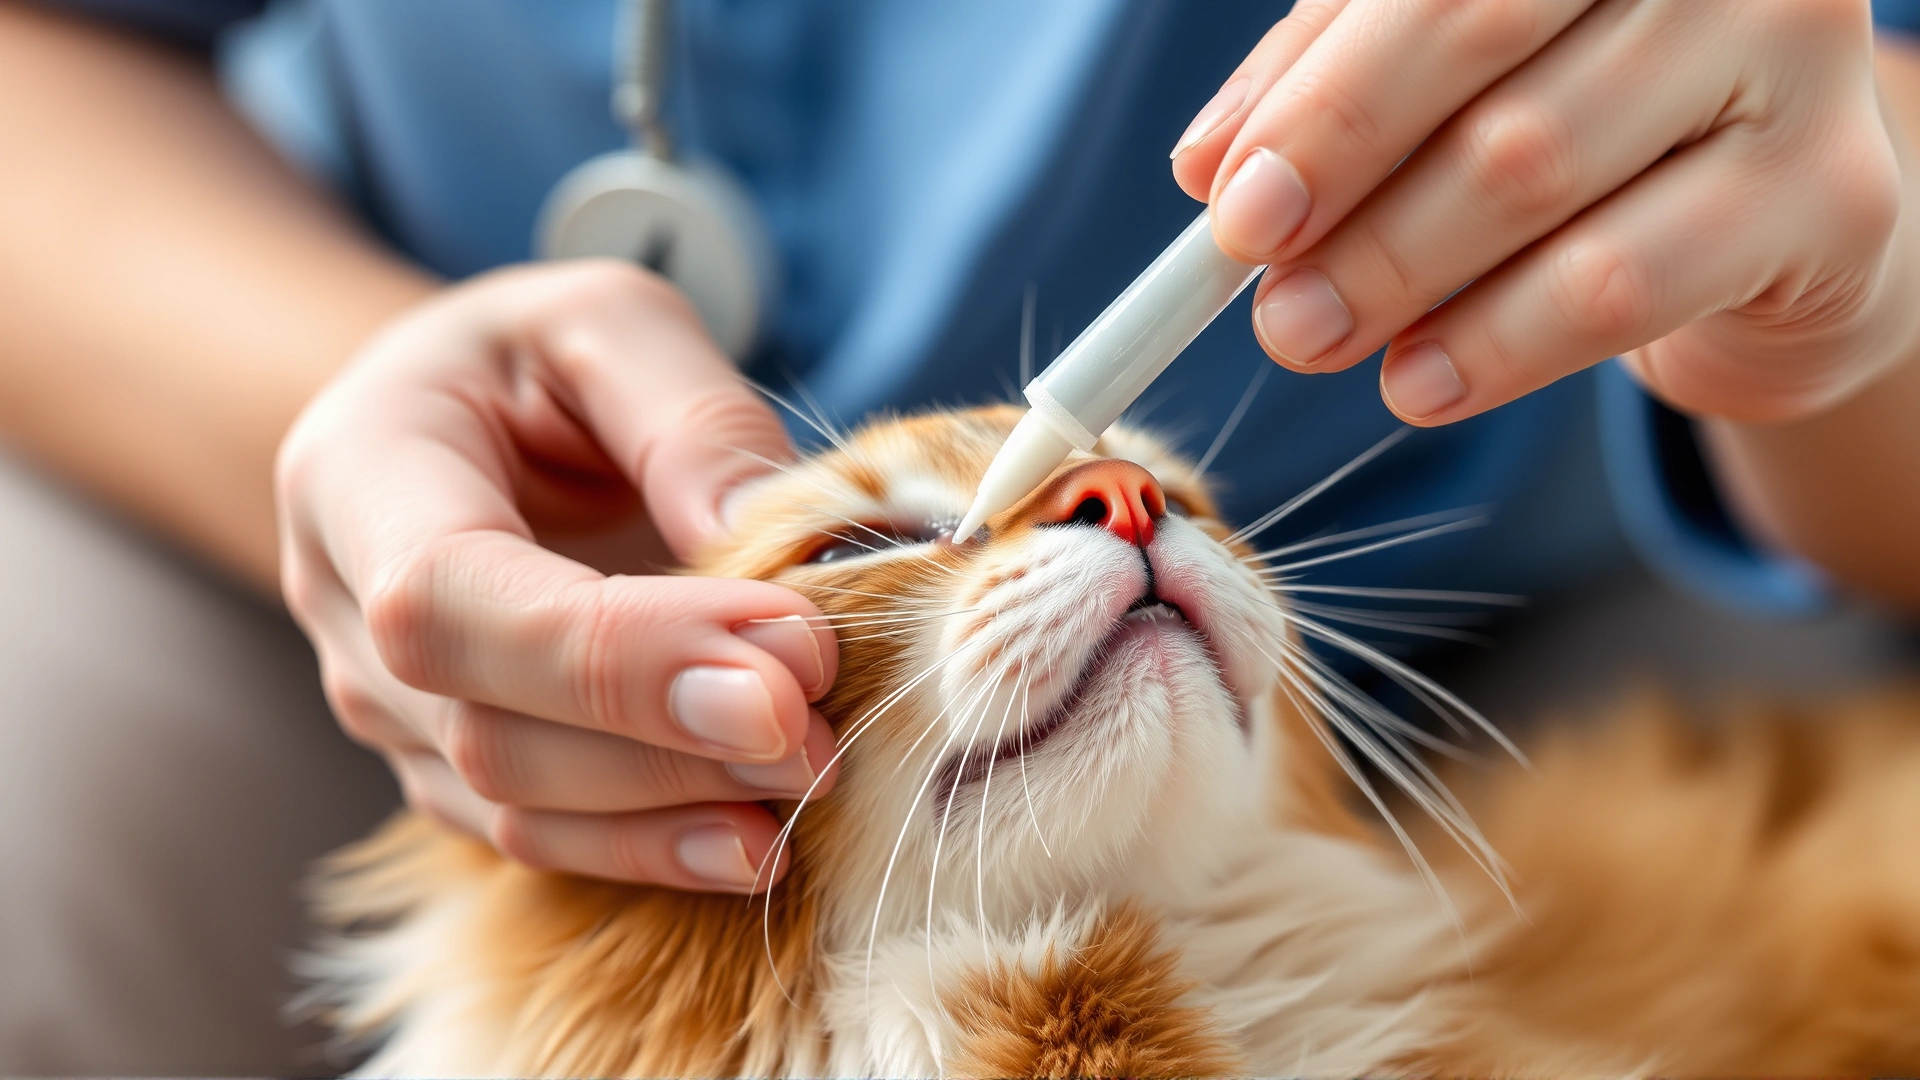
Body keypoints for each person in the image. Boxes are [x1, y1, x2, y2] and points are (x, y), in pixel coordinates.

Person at [1, 0, 1917, 1071]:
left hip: (1528, 541)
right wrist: (350, 408)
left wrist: (1836, 280)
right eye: (864, 555)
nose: (1123, 507)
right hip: (276, 363)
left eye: (1164, 502)